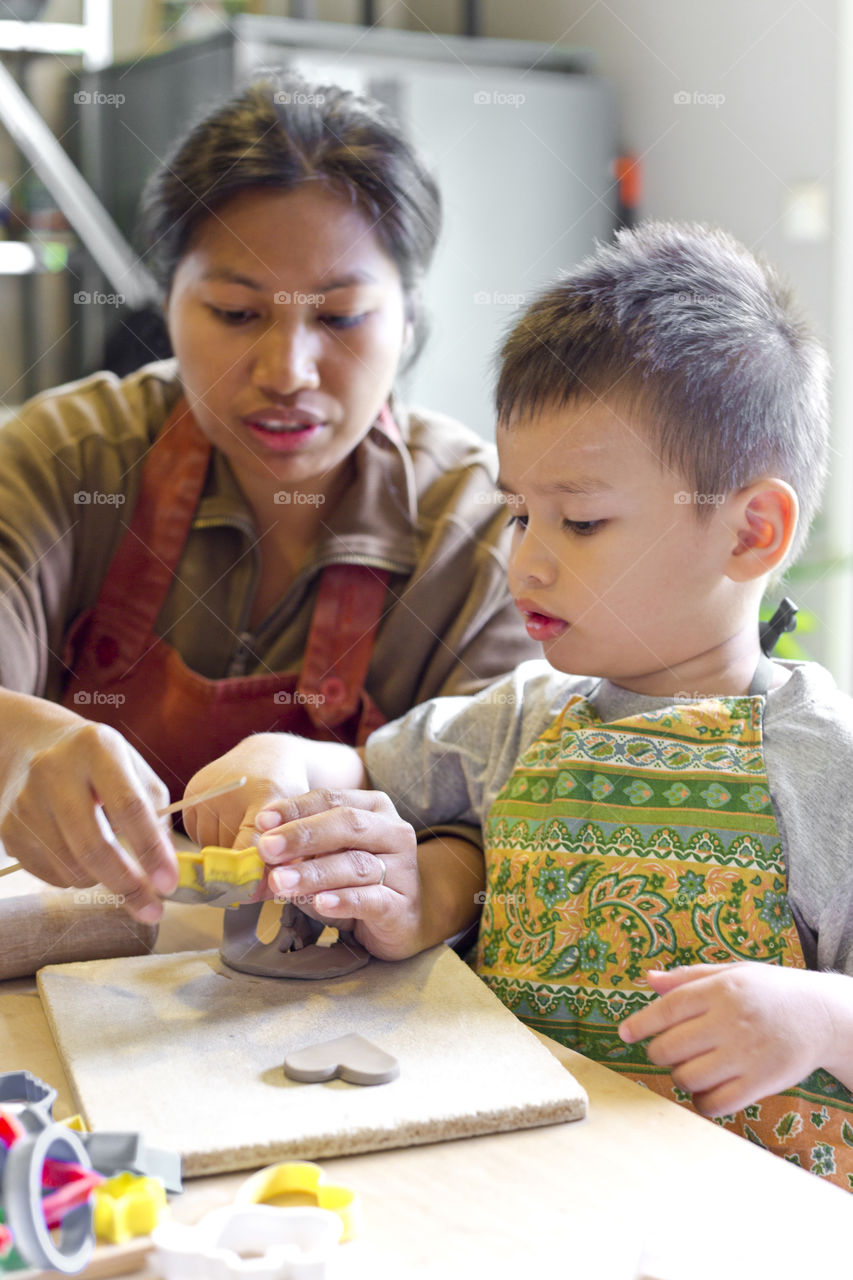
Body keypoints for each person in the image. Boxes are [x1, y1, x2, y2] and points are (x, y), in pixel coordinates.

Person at [195, 221, 853, 1187]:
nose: (527, 559)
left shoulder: (821, 763)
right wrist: (276, 763)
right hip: (523, 1195)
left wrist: (822, 1016)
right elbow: (368, 772)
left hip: (746, 1224)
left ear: (751, 531)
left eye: (580, 520)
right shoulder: (521, 718)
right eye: (517, 512)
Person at [0, 79, 538, 923]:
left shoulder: (480, 529)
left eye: (341, 317)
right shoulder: (66, 461)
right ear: (167, 306)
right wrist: (18, 744)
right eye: (236, 311)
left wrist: (423, 883)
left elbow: (522, 817)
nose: (287, 370)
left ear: (408, 323)